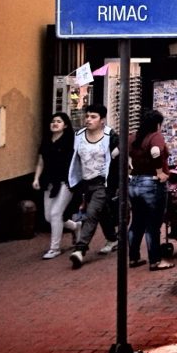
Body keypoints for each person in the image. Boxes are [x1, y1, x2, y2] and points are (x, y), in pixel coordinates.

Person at [68, 104, 120, 268]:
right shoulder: (79, 135)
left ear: (102, 120)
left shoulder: (109, 136)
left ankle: (80, 249)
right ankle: (112, 239)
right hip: (85, 181)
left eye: (93, 117)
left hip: (102, 183)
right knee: (101, 212)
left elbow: (120, 154)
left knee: (91, 214)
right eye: (87, 116)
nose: (89, 120)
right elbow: (74, 157)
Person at [127, 109, 174, 270]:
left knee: (137, 222)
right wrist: (160, 171)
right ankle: (155, 260)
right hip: (152, 183)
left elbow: (117, 152)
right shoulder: (155, 136)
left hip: (134, 183)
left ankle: (133, 258)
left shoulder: (133, 136)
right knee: (153, 224)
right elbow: (155, 152)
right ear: (157, 124)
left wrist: (129, 167)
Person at [33, 112, 79, 259]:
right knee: (48, 217)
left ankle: (55, 248)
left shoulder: (70, 141)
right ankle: (75, 226)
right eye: (53, 121)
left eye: (59, 121)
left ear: (65, 125)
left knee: (56, 214)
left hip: (65, 181)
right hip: (49, 181)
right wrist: (36, 178)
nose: (55, 123)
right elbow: (41, 161)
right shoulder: (46, 141)